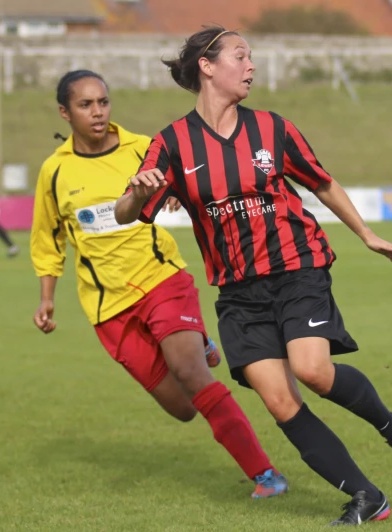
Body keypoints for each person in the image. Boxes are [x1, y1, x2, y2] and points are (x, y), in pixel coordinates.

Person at [115, 27, 392, 526]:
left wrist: (367, 234)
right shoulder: (172, 143)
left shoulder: (272, 128)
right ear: (207, 65)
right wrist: (137, 191)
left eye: (252, 58)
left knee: (311, 371)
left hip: (296, 268)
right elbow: (124, 213)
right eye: (241, 57)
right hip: (237, 291)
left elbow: (323, 182)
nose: (251, 66)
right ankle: (366, 497)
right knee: (280, 400)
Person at [30, 70, 287, 499]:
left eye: (103, 102)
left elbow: (195, 180)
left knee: (191, 373)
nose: (97, 112)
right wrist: (46, 299)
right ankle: (199, 339)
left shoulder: (142, 148)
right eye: (85, 105)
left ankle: (265, 475)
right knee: (184, 408)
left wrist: (175, 192)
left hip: (161, 279)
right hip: (108, 308)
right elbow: (47, 239)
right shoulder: (54, 172)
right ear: (64, 112)